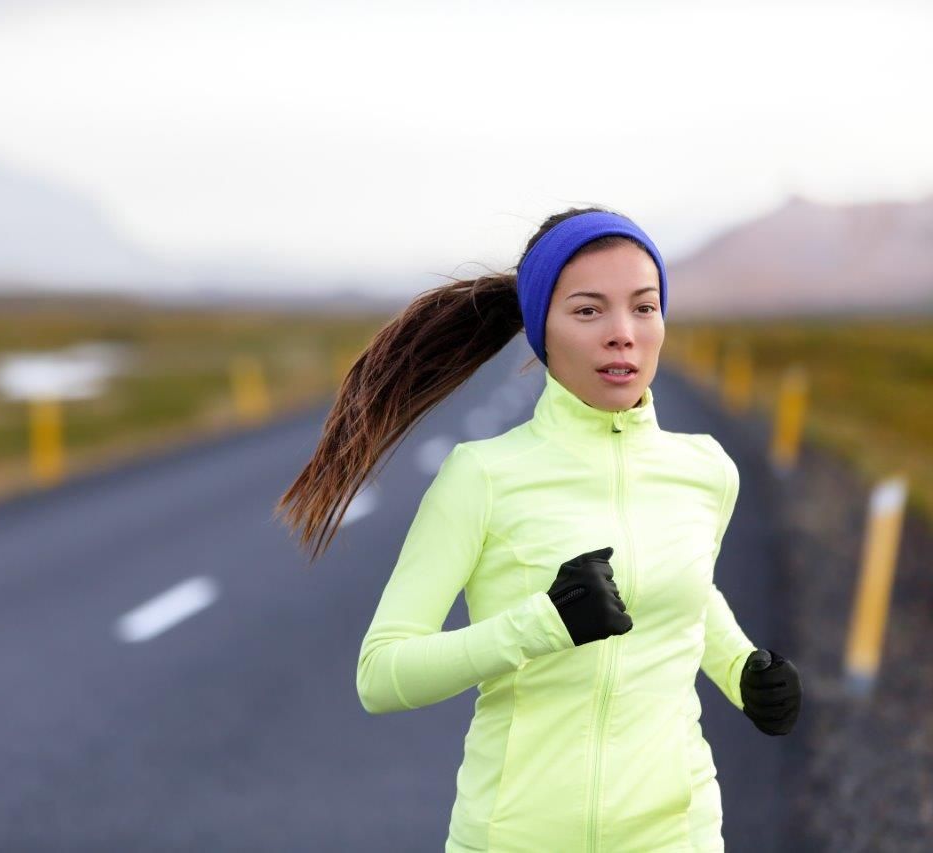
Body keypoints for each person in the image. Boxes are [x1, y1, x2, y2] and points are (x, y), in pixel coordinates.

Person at [274, 206, 802, 851]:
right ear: (541, 330)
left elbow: (687, 592)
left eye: (644, 306)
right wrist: (540, 626)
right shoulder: (482, 477)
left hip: (680, 833)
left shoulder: (706, 470)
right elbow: (380, 676)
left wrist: (740, 668)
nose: (622, 334)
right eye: (588, 310)